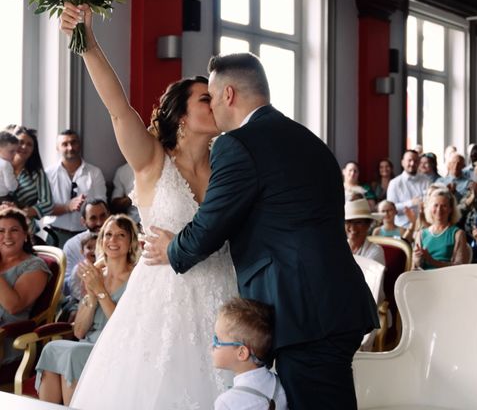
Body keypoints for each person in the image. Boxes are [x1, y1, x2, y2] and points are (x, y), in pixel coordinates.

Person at [144, 52, 378, 410]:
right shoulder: (308, 140)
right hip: (333, 302)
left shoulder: (238, 144)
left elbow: (211, 224)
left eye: (212, 97)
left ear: (229, 95)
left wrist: (174, 248)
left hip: (303, 310)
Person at [60, 2, 238, 409]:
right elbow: (118, 109)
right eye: (205, 99)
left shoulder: (229, 165)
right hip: (162, 301)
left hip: (222, 295)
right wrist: (87, 44)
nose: (215, 105)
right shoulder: (153, 160)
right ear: (181, 113)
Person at [36, 215, 137, 405]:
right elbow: (79, 331)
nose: (112, 240)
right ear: (101, 240)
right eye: (108, 235)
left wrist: (100, 291)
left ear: (131, 241)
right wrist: (91, 294)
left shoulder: (137, 277)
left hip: (117, 346)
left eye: (120, 235)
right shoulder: (96, 274)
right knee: (51, 349)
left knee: (73, 354)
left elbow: (124, 328)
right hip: (89, 342)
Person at [213, 298, 287, 410]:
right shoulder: (282, 383)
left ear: (242, 353)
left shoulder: (226, 403)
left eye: (217, 340)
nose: (212, 345)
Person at [0, 208, 51, 363]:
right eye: (1, 230)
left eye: (14, 230)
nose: (7, 236)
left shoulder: (35, 266)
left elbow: (13, 306)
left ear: (25, 235)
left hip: (6, 339)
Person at [43, 130, 107, 247]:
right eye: (65, 144)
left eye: (74, 142)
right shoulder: (48, 174)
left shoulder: (94, 172)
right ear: (57, 148)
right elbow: (41, 209)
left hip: (86, 236)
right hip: (56, 235)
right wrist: (67, 207)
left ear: (80, 145)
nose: (70, 147)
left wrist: (86, 207)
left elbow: (103, 206)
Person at [6, 127, 54, 236]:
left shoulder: (37, 173)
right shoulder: (2, 166)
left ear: (33, 150)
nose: (24, 147)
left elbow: (48, 203)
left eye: (29, 144)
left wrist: (21, 212)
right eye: (20, 142)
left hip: (25, 230)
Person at [412, 188, 470, 270]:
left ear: (450, 209)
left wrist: (432, 261)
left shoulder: (458, 233)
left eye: (444, 206)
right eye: (436, 205)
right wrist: (417, 259)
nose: (439, 209)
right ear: (430, 208)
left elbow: (459, 268)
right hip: (423, 278)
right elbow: (414, 267)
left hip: (446, 279)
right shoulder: (421, 234)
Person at [61, 199, 109, 295]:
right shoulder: (71, 245)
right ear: (83, 221)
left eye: (103, 216)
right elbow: (65, 287)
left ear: (109, 215)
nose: (99, 223)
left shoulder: (119, 241)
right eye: (93, 218)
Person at [387, 150, 429, 228]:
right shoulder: (394, 183)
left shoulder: (426, 181)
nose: (412, 163)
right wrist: (410, 203)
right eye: (409, 160)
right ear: (402, 162)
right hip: (402, 227)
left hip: (423, 226)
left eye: (415, 161)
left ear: (419, 163)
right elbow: (390, 209)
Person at [345, 199, 385, 265]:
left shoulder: (376, 251)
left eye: (358, 222)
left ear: (368, 225)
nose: (353, 227)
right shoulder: (339, 248)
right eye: (348, 222)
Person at [68, 233, 98, 301]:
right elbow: (74, 288)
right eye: (89, 248)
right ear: (82, 251)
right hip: (78, 300)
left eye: (97, 248)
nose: (94, 251)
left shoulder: (103, 267)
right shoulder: (79, 268)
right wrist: (85, 299)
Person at [0, 131, 19, 203]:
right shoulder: (6, 164)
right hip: (2, 198)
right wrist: (16, 183)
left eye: (16, 151)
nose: (15, 154)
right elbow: (11, 186)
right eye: (11, 151)